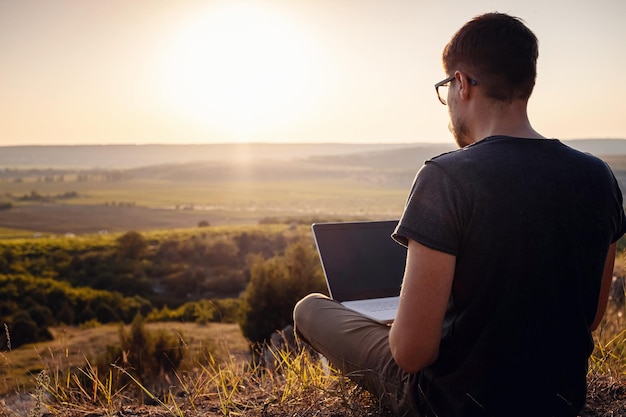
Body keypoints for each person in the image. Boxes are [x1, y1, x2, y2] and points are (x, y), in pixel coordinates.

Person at [293, 12, 626, 417]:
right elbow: (590, 318)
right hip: (559, 398)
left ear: (463, 83)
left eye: (446, 86)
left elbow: (412, 354)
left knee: (309, 308)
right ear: (526, 83)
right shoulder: (598, 176)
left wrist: (403, 320)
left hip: (450, 403)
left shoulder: (447, 176)